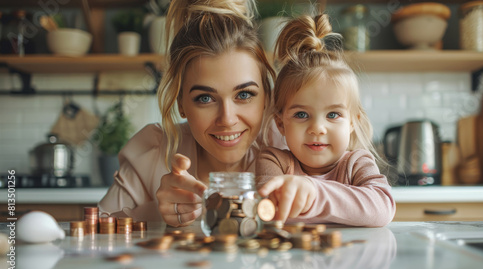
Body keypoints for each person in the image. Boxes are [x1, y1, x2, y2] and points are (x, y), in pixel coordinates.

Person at [98, 0, 284, 226]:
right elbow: (92, 236)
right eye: (205, 98)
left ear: (267, 96)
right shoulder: (154, 154)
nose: (227, 119)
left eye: (244, 95)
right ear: (181, 104)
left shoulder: (294, 146)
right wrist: (157, 214)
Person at [256, 14, 395, 227]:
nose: (317, 128)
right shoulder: (274, 162)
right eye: (301, 115)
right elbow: (269, 210)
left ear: (352, 122)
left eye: (333, 115)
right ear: (280, 123)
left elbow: (383, 209)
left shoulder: (357, 163)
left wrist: (314, 192)